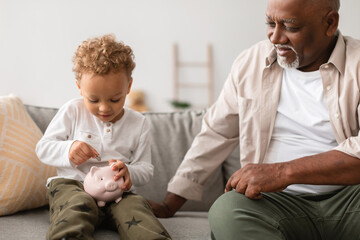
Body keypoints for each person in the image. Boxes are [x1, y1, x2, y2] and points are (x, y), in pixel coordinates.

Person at [149, 0, 360, 239]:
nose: (276, 37)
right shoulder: (250, 62)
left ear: (330, 23)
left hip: (350, 200)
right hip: (273, 204)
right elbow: (217, 133)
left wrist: (282, 172)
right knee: (227, 209)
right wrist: (170, 204)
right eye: (270, 23)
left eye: (290, 27)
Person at [36, 34, 171, 240]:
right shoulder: (72, 111)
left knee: (136, 208)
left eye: (115, 99)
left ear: (128, 86)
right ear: (79, 87)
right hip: (73, 186)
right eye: (94, 99)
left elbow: (146, 168)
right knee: (76, 205)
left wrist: (129, 172)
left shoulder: (139, 123)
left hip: (117, 194)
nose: (104, 108)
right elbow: (43, 148)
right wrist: (69, 149)